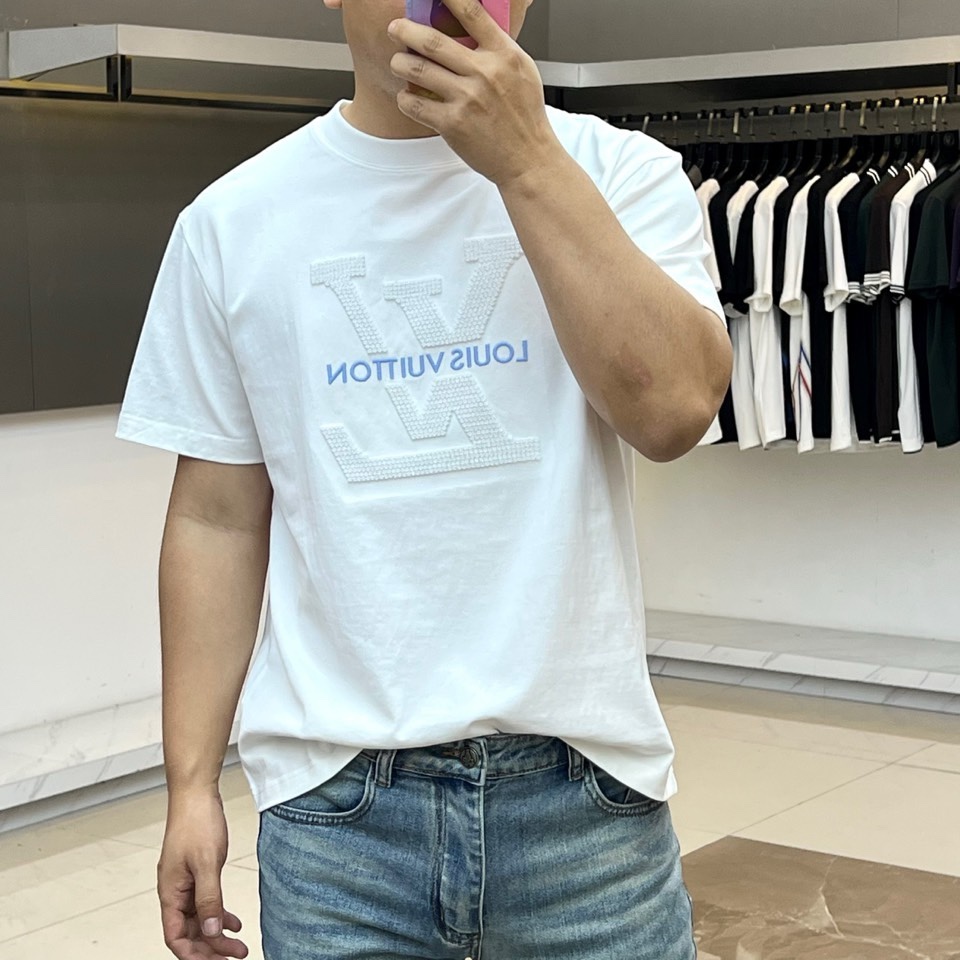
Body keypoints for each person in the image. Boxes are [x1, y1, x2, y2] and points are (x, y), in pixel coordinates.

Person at [115, 0, 732, 957]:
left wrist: (525, 163)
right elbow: (217, 519)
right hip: (339, 823)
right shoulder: (232, 223)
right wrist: (190, 784)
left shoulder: (619, 173)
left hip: (586, 803)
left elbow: (675, 412)